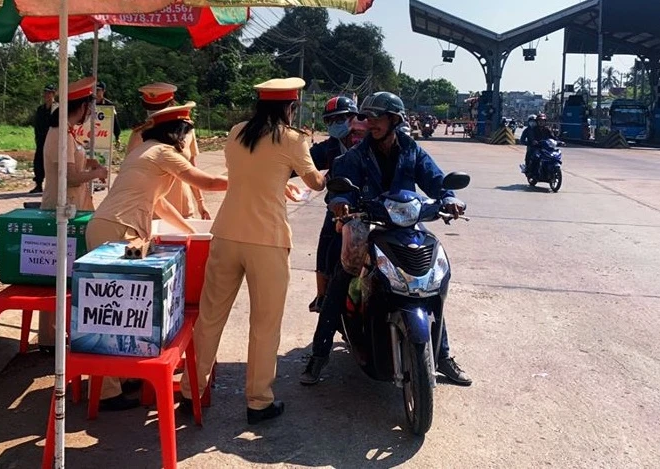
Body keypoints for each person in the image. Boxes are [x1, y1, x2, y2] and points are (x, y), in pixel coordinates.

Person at [179, 77, 326, 425]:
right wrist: (326, 172)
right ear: (290, 107)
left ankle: (190, 391)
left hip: (226, 234)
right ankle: (258, 401)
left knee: (210, 317)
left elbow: (251, 174)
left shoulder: (236, 132)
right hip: (267, 240)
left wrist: (278, 181)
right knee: (265, 324)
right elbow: (314, 182)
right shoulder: (293, 139)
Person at [300, 91, 473, 387]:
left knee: (430, 282)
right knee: (342, 277)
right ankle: (319, 354)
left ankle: (442, 355)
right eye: (367, 117)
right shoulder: (356, 154)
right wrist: (341, 201)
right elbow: (341, 188)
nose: (370, 123)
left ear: (394, 119)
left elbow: (435, 178)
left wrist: (449, 198)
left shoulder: (412, 149)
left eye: (377, 117)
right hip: (366, 224)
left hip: (406, 225)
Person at [86, 105, 229, 411]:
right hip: (118, 230)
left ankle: (121, 378)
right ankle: (107, 391)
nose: (186, 140)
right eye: (186, 133)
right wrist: (247, 180)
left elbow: (159, 203)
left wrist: (190, 230)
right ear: (176, 133)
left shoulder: (143, 150)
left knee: (119, 306)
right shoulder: (164, 153)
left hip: (107, 225)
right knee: (113, 308)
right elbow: (204, 182)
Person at [38, 77, 108, 353]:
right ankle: (50, 337)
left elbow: (73, 165)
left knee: (64, 272)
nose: (90, 113)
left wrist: (88, 162)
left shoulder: (67, 133)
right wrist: (96, 173)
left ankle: (55, 333)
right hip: (62, 208)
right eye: (89, 107)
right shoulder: (60, 135)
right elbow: (70, 177)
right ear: (81, 107)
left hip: (73, 207)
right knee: (57, 274)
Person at [307, 95, 360, 313]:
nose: (334, 124)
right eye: (329, 121)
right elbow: (302, 163)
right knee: (326, 248)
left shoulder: (368, 143)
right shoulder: (328, 148)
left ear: (354, 117)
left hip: (372, 208)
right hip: (339, 209)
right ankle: (323, 297)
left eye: (339, 119)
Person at [127, 84, 210, 220]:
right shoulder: (139, 134)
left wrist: (200, 202)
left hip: (183, 208)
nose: (154, 114)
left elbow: (192, 167)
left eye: (159, 109)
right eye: (151, 109)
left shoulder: (187, 131)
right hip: (150, 210)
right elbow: (130, 174)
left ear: (172, 105)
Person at [31, 84, 57, 194]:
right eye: (45, 92)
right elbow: (37, 125)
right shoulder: (40, 109)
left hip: (53, 139)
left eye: (49, 93)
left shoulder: (57, 108)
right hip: (41, 139)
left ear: (54, 94)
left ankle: (53, 186)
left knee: (53, 163)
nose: (47, 95)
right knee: (38, 161)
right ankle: (38, 184)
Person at [95, 81, 121, 146]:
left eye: (98, 90)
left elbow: (114, 121)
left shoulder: (109, 105)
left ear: (103, 91)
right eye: (94, 89)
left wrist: (117, 137)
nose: (96, 92)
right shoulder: (88, 103)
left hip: (103, 135)